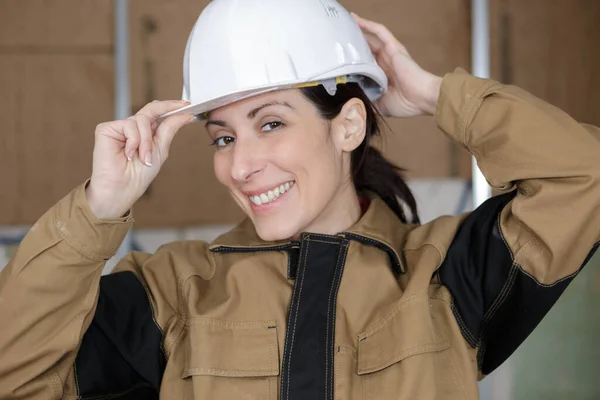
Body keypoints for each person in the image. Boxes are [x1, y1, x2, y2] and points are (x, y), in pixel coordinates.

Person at [0, 0, 598, 398]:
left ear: (347, 125)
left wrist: (436, 93)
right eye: (224, 137)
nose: (240, 165)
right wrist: (96, 211)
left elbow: (583, 177)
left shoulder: (445, 276)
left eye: (271, 124)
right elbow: (17, 378)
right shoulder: (173, 293)